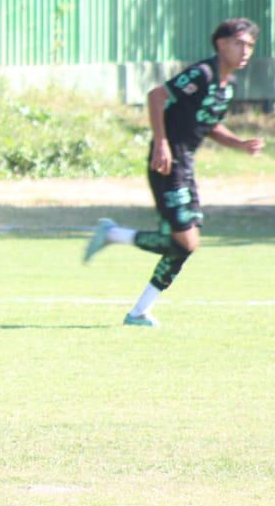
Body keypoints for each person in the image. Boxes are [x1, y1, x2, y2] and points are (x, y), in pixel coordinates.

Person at [83, 19, 263, 325]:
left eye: (249, 45)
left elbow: (210, 125)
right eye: (239, 43)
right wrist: (161, 144)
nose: (245, 50)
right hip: (168, 163)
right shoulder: (202, 74)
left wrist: (239, 144)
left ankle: (137, 305)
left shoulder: (228, 86)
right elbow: (157, 96)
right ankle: (118, 250)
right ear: (221, 44)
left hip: (185, 164)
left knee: (183, 245)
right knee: (185, 243)